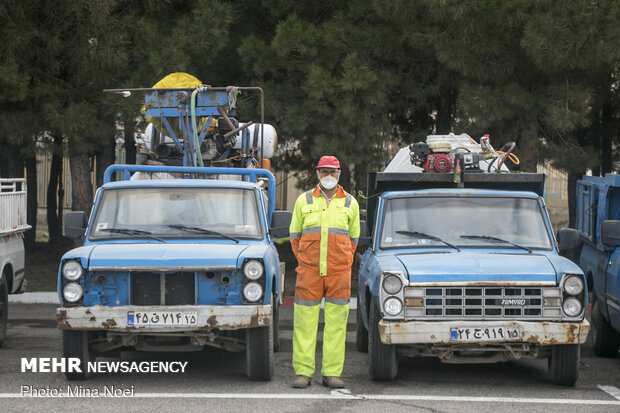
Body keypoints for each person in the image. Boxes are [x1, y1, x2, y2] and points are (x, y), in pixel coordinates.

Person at [288, 155, 360, 389]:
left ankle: (331, 374)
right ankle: (303, 372)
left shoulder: (350, 203)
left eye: (333, 172)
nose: (329, 176)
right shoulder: (303, 200)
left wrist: (344, 262)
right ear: (317, 173)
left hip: (339, 273)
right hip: (308, 272)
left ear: (339, 174)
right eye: (324, 171)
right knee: (304, 323)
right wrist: (306, 261)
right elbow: (294, 237)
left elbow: (354, 239)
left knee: (337, 325)